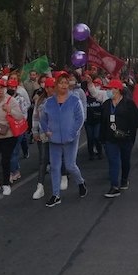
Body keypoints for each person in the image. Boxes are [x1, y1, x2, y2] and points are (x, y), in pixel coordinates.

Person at [39, 72, 87, 207]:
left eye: (66, 82)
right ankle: (56, 195)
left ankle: (80, 182)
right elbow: (43, 118)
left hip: (70, 138)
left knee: (70, 165)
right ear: (55, 85)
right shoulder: (49, 102)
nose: (64, 85)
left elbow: (80, 118)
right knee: (55, 167)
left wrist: (72, 132)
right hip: (54, 139)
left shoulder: (74, 100)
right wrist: (46, 130)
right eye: (61, 83)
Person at [99, 79, 138, 197]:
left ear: (118, 90)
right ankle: (114, 186)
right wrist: (102, 138)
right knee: (113, 161)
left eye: (111, 88)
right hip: (110, 138)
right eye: (108, 89)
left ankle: (124, 179)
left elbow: (137, 120)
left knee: (125, 160)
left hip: (125, 138)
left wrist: (129, 132)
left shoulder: (129, 104)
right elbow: (103, 122)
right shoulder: (106, 104)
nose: (109, 91)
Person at [0, 79, 24, 197]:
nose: (0, 90)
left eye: (2, 88)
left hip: (8, 135)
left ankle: (6, 183)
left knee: (5, 160)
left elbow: (20, 116)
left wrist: (10, 110)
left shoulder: (11, 101)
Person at [31, 76, 55, 199]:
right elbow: (35, 116)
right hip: (43, 134)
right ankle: (40, 186)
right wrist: (35, 132)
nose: (52, 89)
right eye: (50, 87)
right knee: (43, 160)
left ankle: (62, 177)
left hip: (57, 135)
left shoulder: (60, 100)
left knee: (57, 159)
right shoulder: (40, 101)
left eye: (53, 87)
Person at [83, 78, 103, 159]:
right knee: (90, 138)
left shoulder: (100, 96)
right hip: (88, 121)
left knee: (97, 137)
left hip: (98, 120)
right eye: (94, 84)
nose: (95, 86)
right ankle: (91, 154)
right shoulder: (85, 97)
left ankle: (99, 151)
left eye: (97, 84)